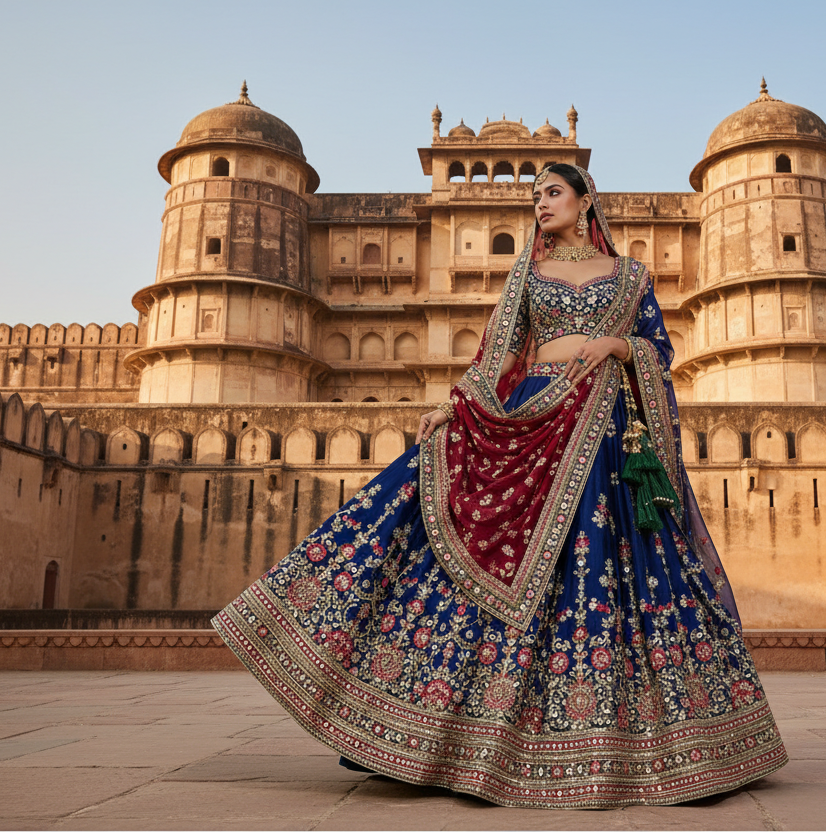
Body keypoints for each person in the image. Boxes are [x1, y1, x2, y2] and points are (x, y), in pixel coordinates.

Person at [212, 164, 788, 808]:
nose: (541, 205)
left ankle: (655, 741)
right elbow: (497, 357)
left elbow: (658, 349)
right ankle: (444, 734)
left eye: (553, 193)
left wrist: (622, 348)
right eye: (535, 197)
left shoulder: (631, 277)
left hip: (605, 431)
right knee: (441, 522)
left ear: (584, 200)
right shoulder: (526, 275)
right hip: (534, 417)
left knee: (607, 568)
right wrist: (453, 408)